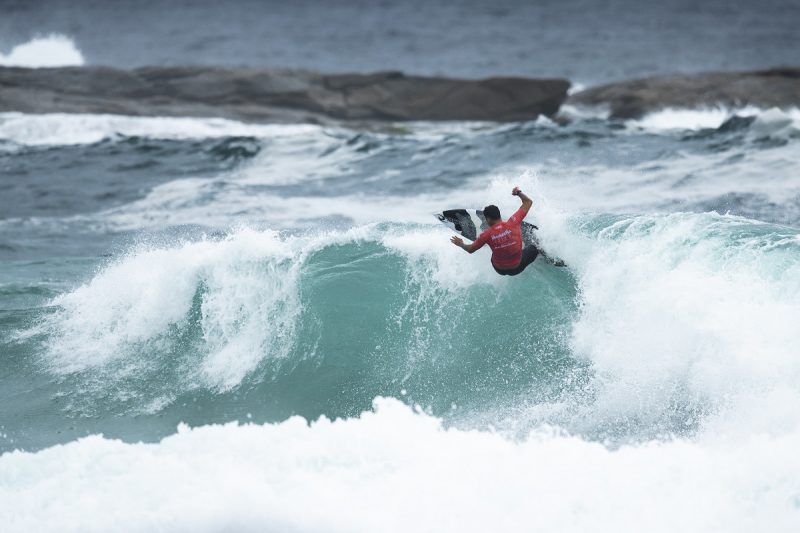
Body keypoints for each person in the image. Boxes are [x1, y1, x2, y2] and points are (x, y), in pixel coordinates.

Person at [450, 186, 540, 276]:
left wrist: (461, 244)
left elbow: (470, 250)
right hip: (517, 268)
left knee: (491, 245)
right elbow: (528, 202)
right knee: (535, 247)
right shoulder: (514, 222)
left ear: (488, 219)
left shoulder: (486, 234)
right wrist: (518, 192)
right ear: (499, 215)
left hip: (499, 269)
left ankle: (496, 246)